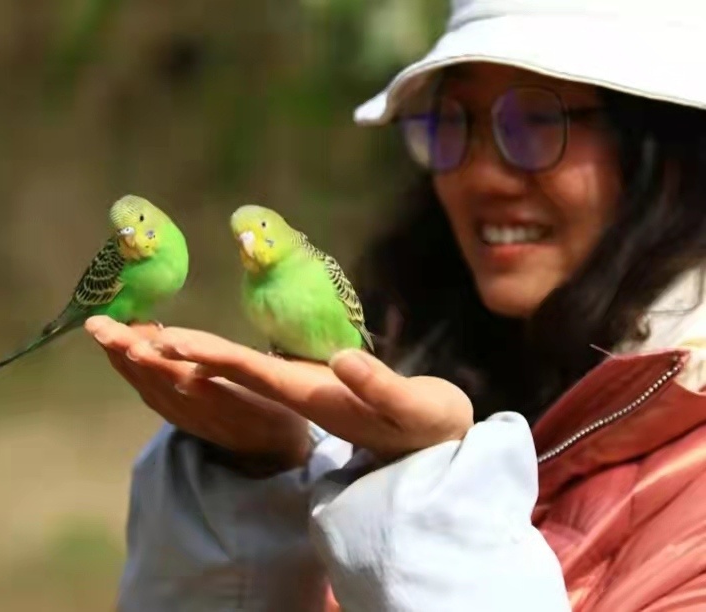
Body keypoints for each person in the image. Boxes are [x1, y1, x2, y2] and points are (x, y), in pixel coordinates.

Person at [88, 0, 706, 609]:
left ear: (668, 146)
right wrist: (253, 475)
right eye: (452, 121)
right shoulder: (401, 356)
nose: (480, 175)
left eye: (539, 122)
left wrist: (424, 492)